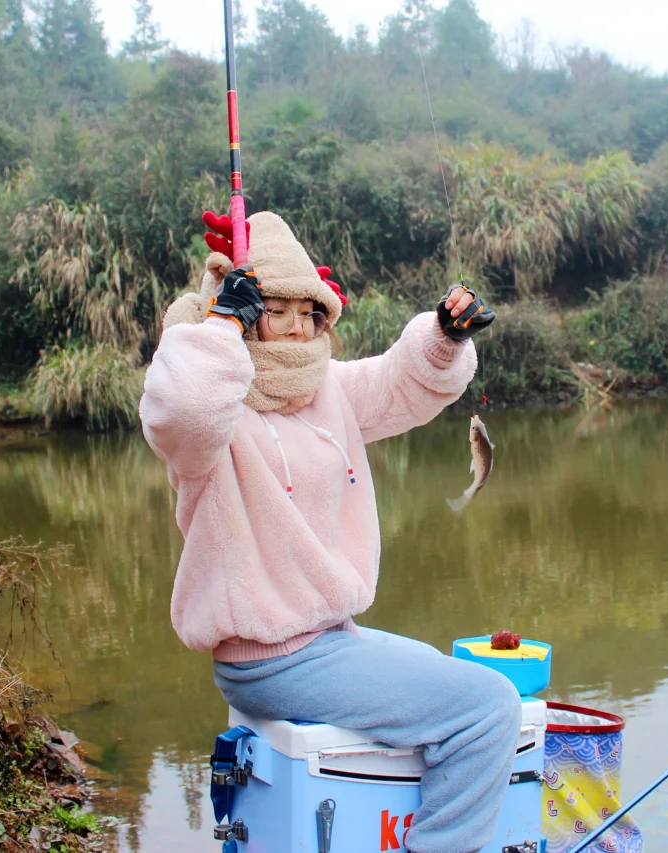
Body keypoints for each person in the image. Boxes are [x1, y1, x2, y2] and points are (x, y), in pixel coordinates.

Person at [139, 210, 518, 853]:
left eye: (305, 311)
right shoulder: (211, 420)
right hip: (272, 661)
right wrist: (221, 325)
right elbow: (183, 407)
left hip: (327, 640)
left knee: (441, 671)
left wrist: (444, 336)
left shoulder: (326, 390)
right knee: (488, 706)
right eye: (270, 308)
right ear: (240, 310)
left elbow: (399, 384)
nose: (292, 327)